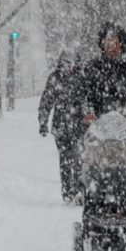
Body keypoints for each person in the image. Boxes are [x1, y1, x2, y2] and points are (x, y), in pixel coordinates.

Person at [77, 22, 126, 124]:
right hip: (99, 126)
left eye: (115, 42)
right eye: (108, 43)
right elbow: (82, 94)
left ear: (121, 43)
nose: (111, 47)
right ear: (102, 44)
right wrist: (87, 112)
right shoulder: (91, 67)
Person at [38, 46, 85, 199]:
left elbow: (88, 100)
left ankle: (79, 188)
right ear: (61, 62)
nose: (69, 66)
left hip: (79, 125)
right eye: (66, 62)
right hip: (61, 126)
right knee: (65, 158)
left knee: (79, 158)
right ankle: (67, 190)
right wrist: (43, 122)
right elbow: (46, 101)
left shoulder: (82, 78)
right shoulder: (55, 78)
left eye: (72, 62)